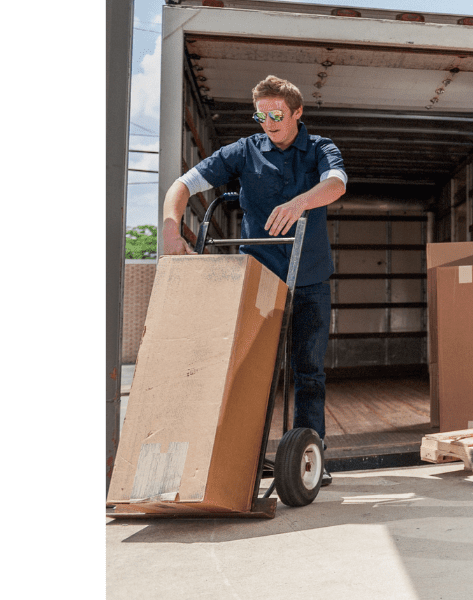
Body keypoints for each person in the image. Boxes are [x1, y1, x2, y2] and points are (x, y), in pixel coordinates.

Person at [161, 75, 348, 486]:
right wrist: (172, 231)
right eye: (261, 114)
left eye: (276, 114)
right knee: (251, 368)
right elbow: (183, 184)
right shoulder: (243, 151)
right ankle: (244, 456)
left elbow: (336, 184)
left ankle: (309, 457)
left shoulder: (320, 148)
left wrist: (301, 202)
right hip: (258, 277)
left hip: (310, 277)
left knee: (308, 371)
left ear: (297, 113)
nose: (268, 122)